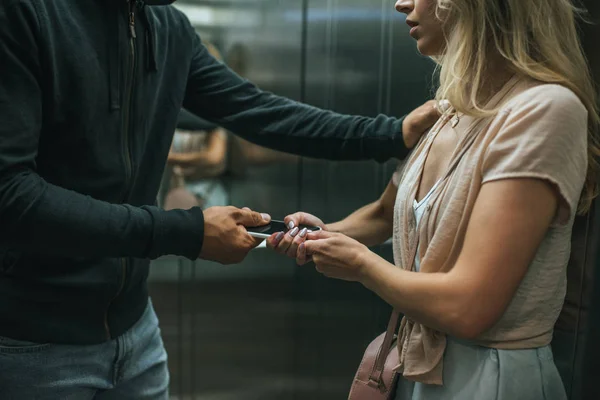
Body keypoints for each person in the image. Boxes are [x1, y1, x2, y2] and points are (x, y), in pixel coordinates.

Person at [0, 0, 440, 398]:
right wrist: (188, 232)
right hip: (32, 342)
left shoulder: (168, 28)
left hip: (134, 330)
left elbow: (257, 110)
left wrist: (390, 133)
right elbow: (11, 195)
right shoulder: (24, 14)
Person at [269, 0, 599, 398]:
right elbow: (384, 214)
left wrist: (359, 264)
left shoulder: (544, 110)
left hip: (488, 376)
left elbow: (469, 307)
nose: (401, 3)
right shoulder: (450, 110)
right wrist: (322, 234)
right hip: (419, 367)